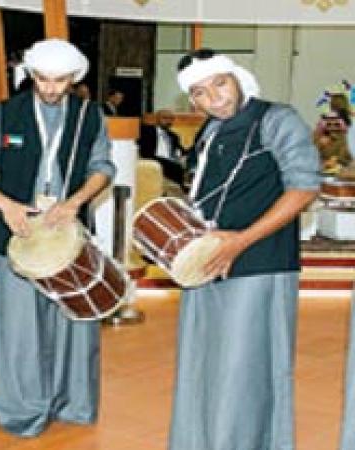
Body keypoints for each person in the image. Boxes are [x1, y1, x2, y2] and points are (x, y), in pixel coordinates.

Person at [169, 48, 319, 450]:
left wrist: (240, 242)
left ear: (237, 78)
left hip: (259, 264)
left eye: (220, 84)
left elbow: (304, 188)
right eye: (200, 93)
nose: (213, 98)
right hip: (208, 262)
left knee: (244, 373)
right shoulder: (210, 130)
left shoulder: (277, 119)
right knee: (203, 367)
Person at [0, 39, 115, 437]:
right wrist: (4, 204)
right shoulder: (6, 113)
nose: (50, 88)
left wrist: (75, 202)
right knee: (18, 328)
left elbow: (103, 168)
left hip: (70, 232)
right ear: (31, 75)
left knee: (74, 320)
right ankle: (21, 411)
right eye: (43, 79)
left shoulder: (89, 115)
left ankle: (72, 403)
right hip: (17, 232)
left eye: (60, 80)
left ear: (73, 78)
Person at [137, 108, 186, 186]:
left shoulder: (173, 136)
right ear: (157, 119)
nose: (168, 121)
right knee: (176, 167)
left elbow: (181, 150)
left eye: (171, 119)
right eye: (165, 118)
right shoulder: (147, 130)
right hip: (153, 158)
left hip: (170, 161)